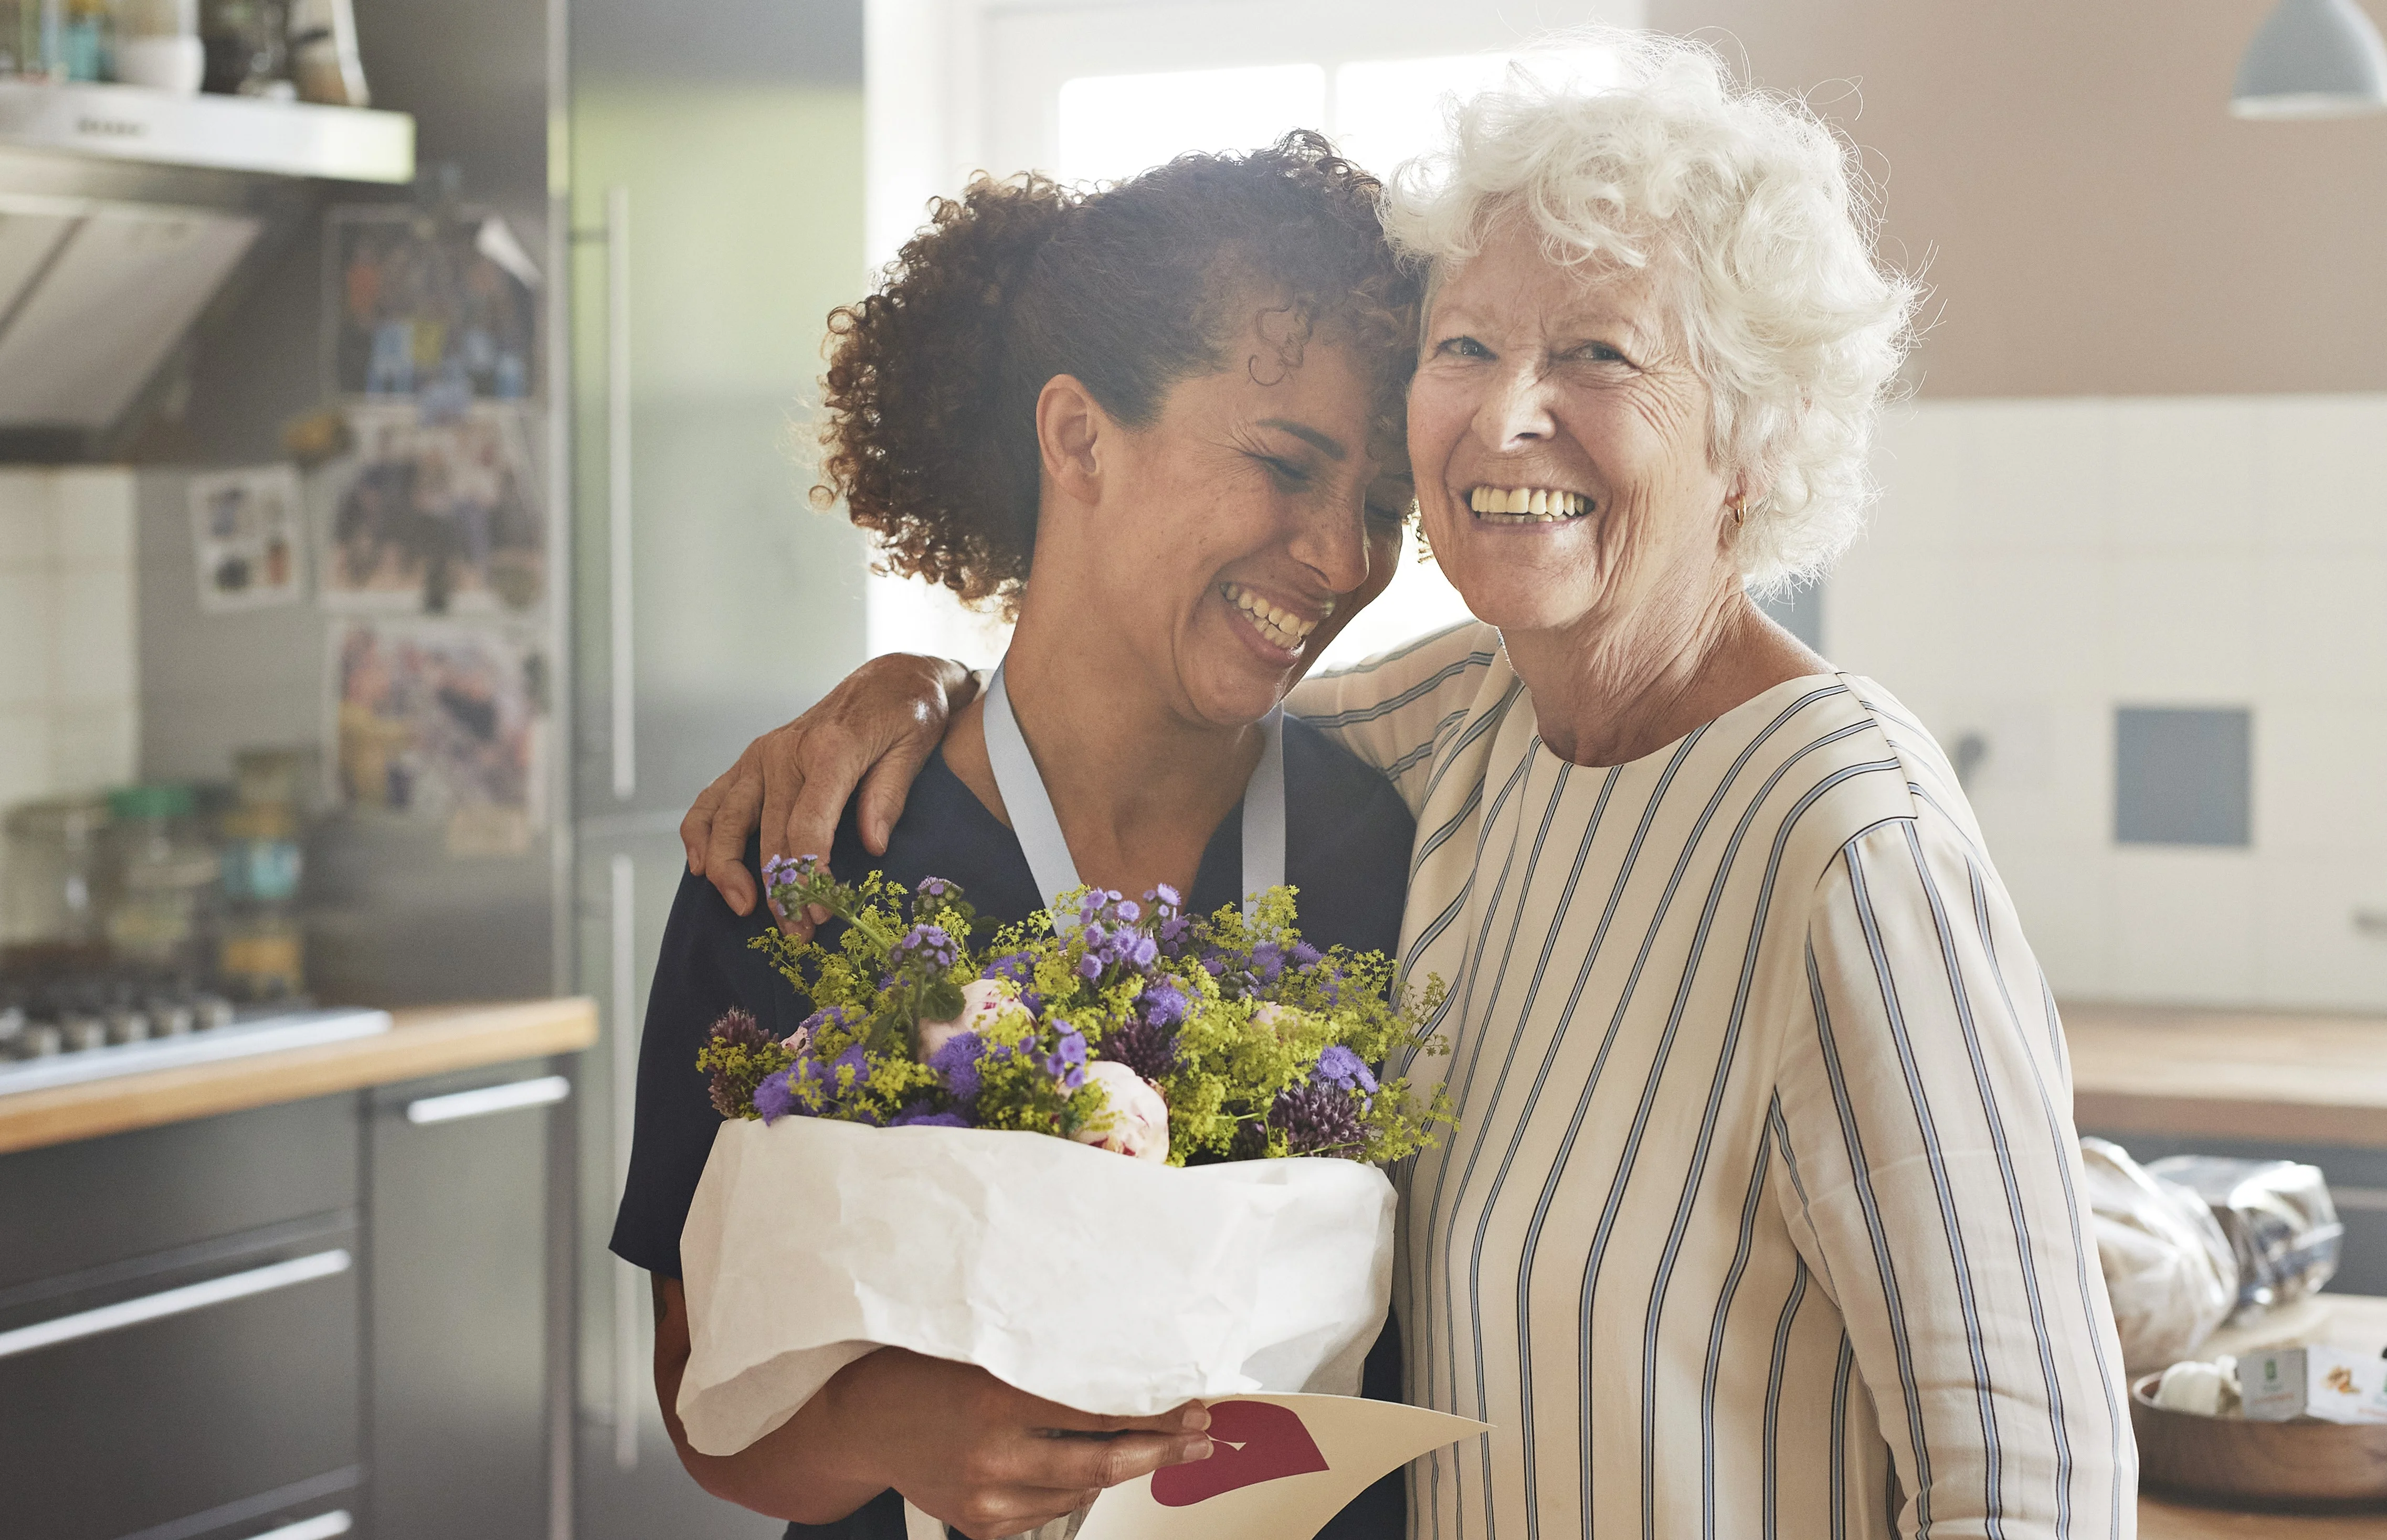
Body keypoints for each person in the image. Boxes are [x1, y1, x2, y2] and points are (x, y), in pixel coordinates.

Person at [681, 33, 2137, 1539]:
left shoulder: (1849, 840)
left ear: (1751, 442)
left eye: (1599, 353)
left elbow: (2033, 1481)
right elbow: (1130, 702)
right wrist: (912, 688)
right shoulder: (1448, 731)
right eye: (1463, 346)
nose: (1505, 413)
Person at [611, 134, 1427, 1540]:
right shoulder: (806, 862)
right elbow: (703, 1400)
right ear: (1075, 437)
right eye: (1286, 465)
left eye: (1379, 506)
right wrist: (887, 1428)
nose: (1343, 557)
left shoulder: (1396, 852)